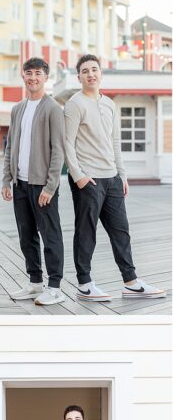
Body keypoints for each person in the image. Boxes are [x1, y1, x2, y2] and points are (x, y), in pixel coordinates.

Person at [64, 54, 165, 302]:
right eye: (85, 71)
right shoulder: (74, 104)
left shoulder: (109, 104)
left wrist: (123, 175)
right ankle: (84, 283)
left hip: (112, 179)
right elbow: (66, 142)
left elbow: (115, 141)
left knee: (121, 231)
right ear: (79, 77)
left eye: (94, 69)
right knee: (86, 232)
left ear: (101, 73)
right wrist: (78, 176)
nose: (91, 74)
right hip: (89, 180)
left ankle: (130, 281)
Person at [2, 57, 66, 306]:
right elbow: (10, 147)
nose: (33, 78)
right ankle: (35, 282)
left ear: (45, 77)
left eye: (38, 73)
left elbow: (58, 151)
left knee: (50, 235)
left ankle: (55, 287)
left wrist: (51, 186)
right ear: (23, 76)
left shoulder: (52, 108)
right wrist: (7, 179)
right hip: (20, 184)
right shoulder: (17, 109)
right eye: (29, 73)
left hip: (42, 185)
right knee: (26, 235)